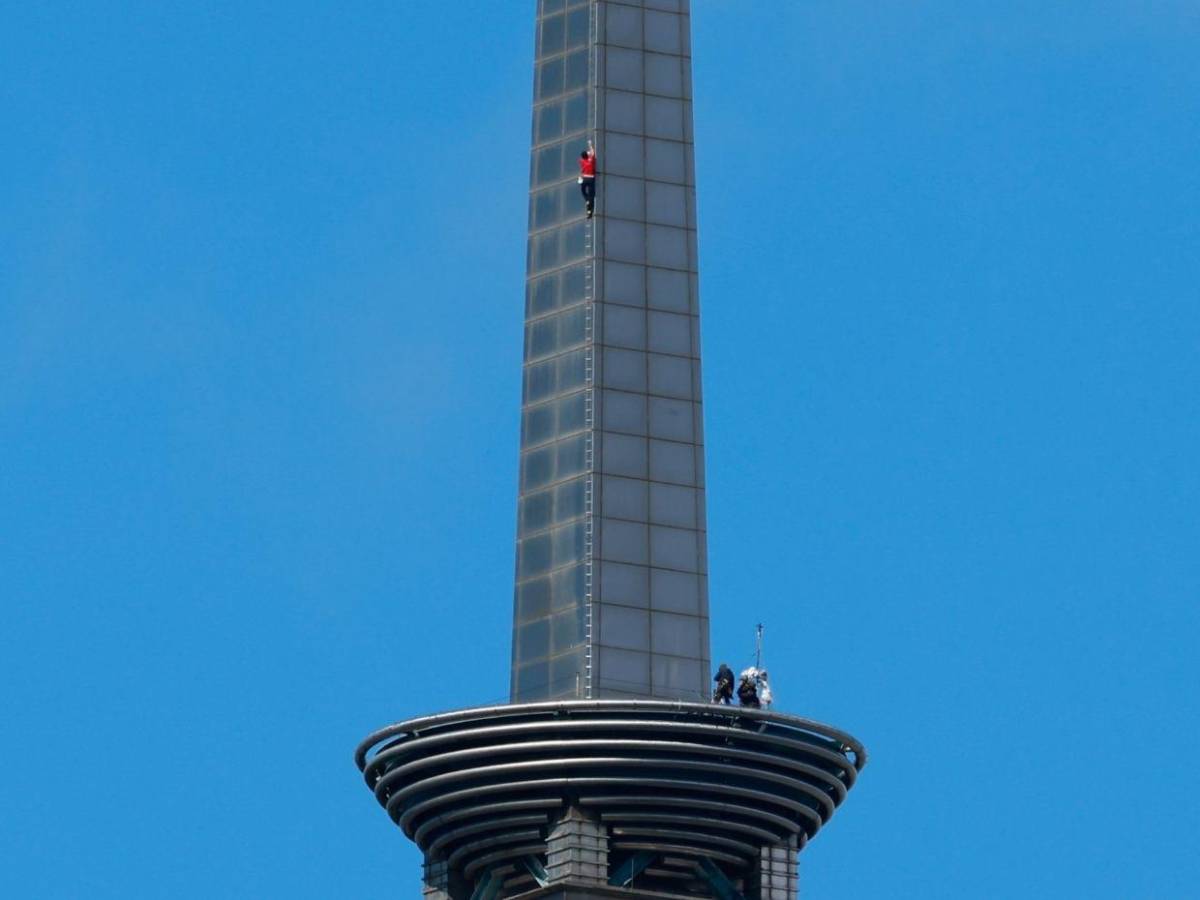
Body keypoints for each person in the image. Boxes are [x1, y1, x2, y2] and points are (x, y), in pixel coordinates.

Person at [578, 140, 596, 218]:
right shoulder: (591, 160)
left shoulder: (581, 161)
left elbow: (586, 155)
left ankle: (587, 201)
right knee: (592, 195)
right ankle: (590, 211)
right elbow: (592, 152)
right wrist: (590, 144)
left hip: (584, 178)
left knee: (583, 191)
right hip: (591, 179)